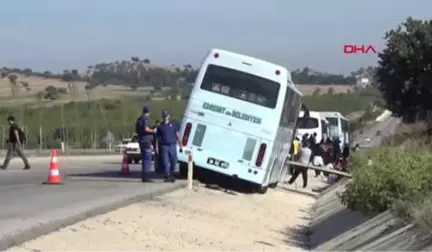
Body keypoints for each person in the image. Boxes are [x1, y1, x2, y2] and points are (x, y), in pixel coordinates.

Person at [156, 110, 183, 182]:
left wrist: (181, 146)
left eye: (166, 116)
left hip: (172, 146)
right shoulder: (160, 127)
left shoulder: (173, 125)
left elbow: (178, 135)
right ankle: (167, 176)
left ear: (168, 116)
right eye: (164, 116)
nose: (165, 117)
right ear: (162, 117)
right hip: (164, 146)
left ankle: (171, 174)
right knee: (165, 162)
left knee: (174, 161)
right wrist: (156, 147)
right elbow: (157, 138)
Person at [135, 105, 155, 182]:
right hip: (146, 140)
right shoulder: (146, 118)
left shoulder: (139, 119)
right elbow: (146, 128)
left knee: (144, 159)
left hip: (141, 140)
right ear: (149, 111)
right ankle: (146, 176)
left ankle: (144, 175)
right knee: (147, 159)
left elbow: (137, 130)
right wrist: (153, 130)